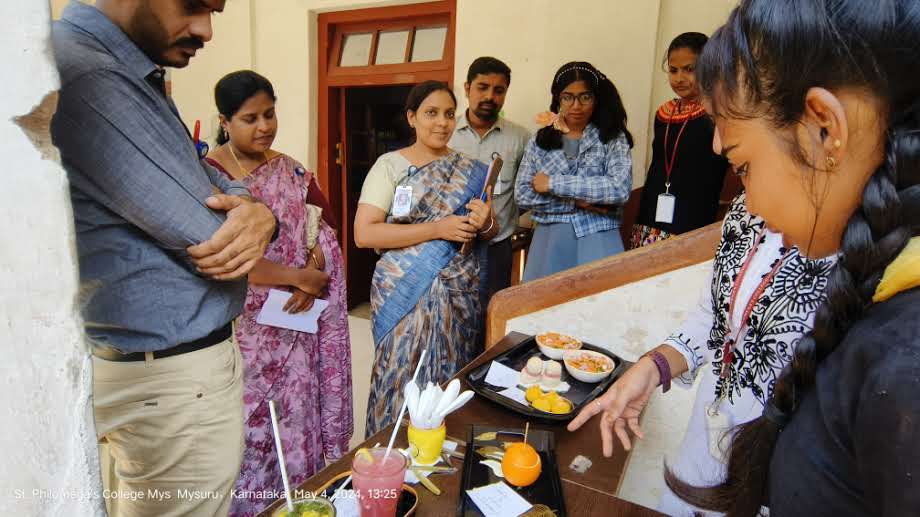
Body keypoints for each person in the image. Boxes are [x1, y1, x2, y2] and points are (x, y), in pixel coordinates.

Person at [572, 1, 920, 516]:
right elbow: (715, 319)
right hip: (706, 462)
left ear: (824, 128)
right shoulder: (750, 215)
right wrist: (653, 367)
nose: (749, 202)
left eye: (744, 166)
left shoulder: (899, 351)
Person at [51, 1, 277, 516]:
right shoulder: (93, 75)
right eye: (193, 4)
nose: (206, 30)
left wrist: (256, 208)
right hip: (169, 384)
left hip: (150, 373)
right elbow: (215, 234)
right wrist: (253, 213)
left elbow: (206, 174)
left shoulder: (120, 66)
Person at [204, 71, 353, 517]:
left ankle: (298, 504)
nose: (264, 126)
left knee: (296, 418)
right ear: (225, 122)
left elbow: (324, 231)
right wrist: (295, 277)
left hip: (295, 325)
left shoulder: (292, 169)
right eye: (250, 118)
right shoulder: (210, 176)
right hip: (243, 330)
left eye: (269, 114)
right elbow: (221, 255)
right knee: (250, 430)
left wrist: (315, 269)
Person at [354, 81, 498, 437]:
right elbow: (365, 233)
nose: (442, 122)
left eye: (449, 114)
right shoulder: (390, 166)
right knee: (398, 373)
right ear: (412, 118)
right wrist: (437, 229)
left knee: (450, 376)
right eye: (431, 113)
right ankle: (389, 451)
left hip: (456, 294)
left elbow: (489, 231)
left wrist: (485, 222)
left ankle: (442, 453)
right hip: (402, 290)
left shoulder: (472, 170)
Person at [516, 61, 634, 281]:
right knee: (548, 300)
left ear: (596, 98)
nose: (576, 106)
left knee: (598, 299)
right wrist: (580, 202)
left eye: (585, 97)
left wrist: (553, 183)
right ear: (558, 99)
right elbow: (523, 194)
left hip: (599, 238)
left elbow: (619, 189)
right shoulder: (541, 140)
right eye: (568, 97)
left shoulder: (612, 138)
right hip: (549, 241)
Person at [632, 32, 729, 248]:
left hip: (693, 216)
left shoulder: (719, 114)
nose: (679, 78)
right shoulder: (663, 114)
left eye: (689, 69)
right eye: (673, 70)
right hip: (651, 214)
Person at [449, 57, 531, 299]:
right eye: (482, 87)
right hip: (449, 245)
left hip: (497, 249)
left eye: (498, 90)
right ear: (467, 89)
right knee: (452, 312)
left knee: (492, 314)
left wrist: (501, 218)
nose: (489, 96)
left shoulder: (521, 138)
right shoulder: (446, 132)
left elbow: (527, 192)